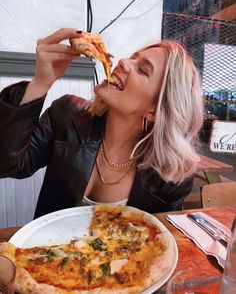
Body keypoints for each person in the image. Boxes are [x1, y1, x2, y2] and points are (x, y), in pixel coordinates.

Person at [0, 28, 203, 218]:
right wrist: (40, 83)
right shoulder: (66, 114)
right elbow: (7, 165)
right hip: (47, 252)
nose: (123, 61)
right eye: (133, 57)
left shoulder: (170, 174)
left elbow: (160, 240)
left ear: (155, 110)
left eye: (142, 70)